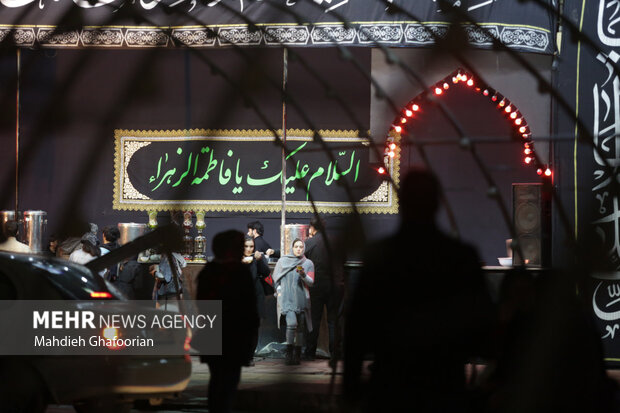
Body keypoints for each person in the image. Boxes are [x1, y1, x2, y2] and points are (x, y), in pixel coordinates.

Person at [343, 168, 494, 412]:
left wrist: (351, 388)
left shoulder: (381, 257)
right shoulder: (461, 257)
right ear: (437, 203)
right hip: (444, 386)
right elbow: (483, 329)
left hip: (391, 386)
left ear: (402, 204)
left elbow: (357, 329)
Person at [195, 230, 259, 413]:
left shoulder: (209, 271)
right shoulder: (239, 272)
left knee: (217, 379)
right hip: (233, 336)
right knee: (229, 380)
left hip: (215, 333)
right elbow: (249, 309)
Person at [303, 217, 344, 361]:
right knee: (334, 320)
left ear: (312, 228)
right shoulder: (336, 242)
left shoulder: (309, 242)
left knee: (314, 320)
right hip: (336, 285)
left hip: (316, 285)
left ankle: (309, 353)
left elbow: (300, 260)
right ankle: (335, 353)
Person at [272, 238, 315, 365]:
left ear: (304, 248)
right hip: (287, 299)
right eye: (296, 246)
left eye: (301, 247)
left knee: (301, 328)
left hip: (301, 298)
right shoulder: (283, 261)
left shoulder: (308, 263)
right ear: (292, 247)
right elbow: (274, 278)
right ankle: (289, 353)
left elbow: (311, 282)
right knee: (291, 324)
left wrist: (303, 274)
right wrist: (279, 290)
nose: (298, 249)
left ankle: (297, 354)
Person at [243, 236, 272, 320]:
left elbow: (266, 273)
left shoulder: (258, 256)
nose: (248, 249)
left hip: (256, 293)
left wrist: (259, 260)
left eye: (251, 246)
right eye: (246, 246)